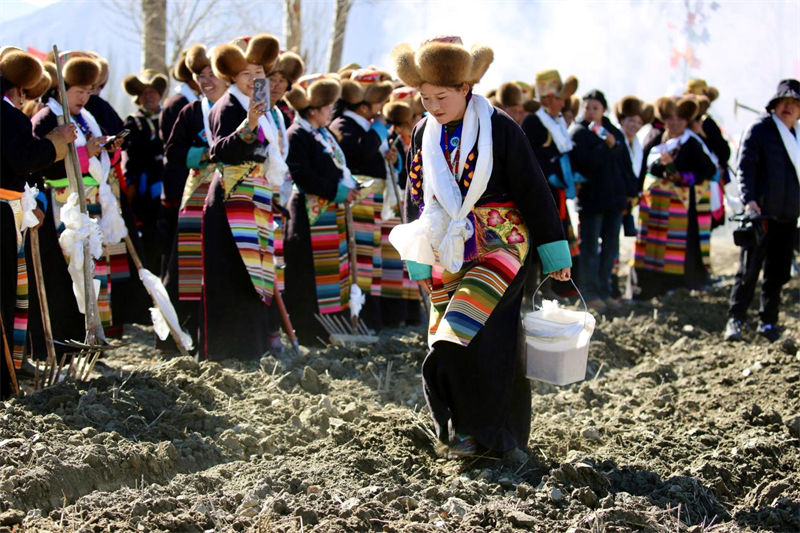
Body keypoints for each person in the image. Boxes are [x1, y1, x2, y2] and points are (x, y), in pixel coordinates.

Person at [389, 36, 571, 458]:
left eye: (441, 97)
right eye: (425, 98)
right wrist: (416, 252)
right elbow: (415, 194)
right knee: (446, 340)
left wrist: (555, 252)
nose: (432, 106)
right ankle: (466, 433)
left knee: (483, 337)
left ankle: (500, 438)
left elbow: (533, 190)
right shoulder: (422, 133)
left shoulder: (500, 127)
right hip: (446, 245)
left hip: (504, 245)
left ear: (465, 89)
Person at [31, 54, 130, 341]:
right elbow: (44, 162)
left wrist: (106, 148)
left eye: (89, 91)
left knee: (92, 268)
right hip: (66, 204)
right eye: (79, 91)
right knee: (71, 270)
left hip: (90, 200)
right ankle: (70, 338)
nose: (85, 97)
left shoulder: (84, 118)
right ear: (62, 88)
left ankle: (93, 336)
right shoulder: (48, 117)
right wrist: (89, 152)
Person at [202, 33, 282, 360]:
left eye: (259, 74)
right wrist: (248, 124)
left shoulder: (263, 110)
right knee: (236, 275)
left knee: (255, 273)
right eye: (247, 74)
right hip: (232, 200)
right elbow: (219, 150)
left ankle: (254, 345)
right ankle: (233, 350)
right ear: (232, 77)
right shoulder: (228, 105)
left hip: (254, 197)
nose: (254, 80)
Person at [1, 48, 75, 397]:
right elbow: (25, 159)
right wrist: (57, 142)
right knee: (4, 295)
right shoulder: (9, 116)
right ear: (17, 90)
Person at [283, 75, 359, 346]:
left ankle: (326, 329)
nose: (331, 111)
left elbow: (337, 167)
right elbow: (302, 175)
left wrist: (351, 185)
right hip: (306, 214)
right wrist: (338, 191)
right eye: (327, 106)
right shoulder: (296, 134)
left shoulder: (322, 133)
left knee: (328, 272)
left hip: (327, 212)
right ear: (313, 110)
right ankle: (308, 331)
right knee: (307, 273)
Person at [161, 43, 227, 349]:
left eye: (211, 72)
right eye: (200, 74)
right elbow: (172, 151)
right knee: (187, 265)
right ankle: (183, 334)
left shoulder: (235, 107)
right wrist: (207, 155)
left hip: (230, 195)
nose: (205, 79)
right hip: (198, 194)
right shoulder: (190, 111)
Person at [725, 79, 800, 343]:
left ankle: (768, 322)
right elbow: (746, 167)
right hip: (762, 213)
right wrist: (750, 201)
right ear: (775, 104)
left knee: (778, 273)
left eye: (795, 103)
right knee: (749, 270)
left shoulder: (797, 137)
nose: (789, 107)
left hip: (789, 214)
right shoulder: (760, 129)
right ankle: (736, 319)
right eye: (785, 101)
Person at [627, 96, 717, 300]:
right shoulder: (656, 139)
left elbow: (708, 169)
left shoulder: (692, 144)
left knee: (676, 250)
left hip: (680, 211)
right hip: (654, 209)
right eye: (670, 118)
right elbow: (643, 170)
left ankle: (677, 286)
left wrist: (682, 177)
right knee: (651, 248)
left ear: (686, 121)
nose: (674, 123)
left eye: (680, 119)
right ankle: (647, 288)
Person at [329, 69, 395, 329]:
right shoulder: (343, 125)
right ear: (364, 104)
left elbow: (376, 154)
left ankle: (373, 319)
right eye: (378, 102)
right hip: (358, 204)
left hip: (374, 206)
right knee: (360, 262)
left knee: (372, 263)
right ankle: (359, 318)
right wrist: (379, 129)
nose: (381, 108)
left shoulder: (367, 126)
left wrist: (390, 156)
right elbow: (362, 151)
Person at [569, 89, 636, 312]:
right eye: (587, 107)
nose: (590, 112)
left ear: (603, 110)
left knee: (610, 248)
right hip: (591, 201)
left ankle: (605, 291)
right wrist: (603, 145)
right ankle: (589, 292)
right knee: (589, 248)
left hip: (614, 201)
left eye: (594, 108)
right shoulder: (578, 132)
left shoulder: (613, 131)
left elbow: (625, 164)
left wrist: (630, 192)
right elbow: (585, 163)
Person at [520, 70, 580, 298]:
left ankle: (547, 288)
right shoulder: (535, 121)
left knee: (554, 233)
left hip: (556, 190)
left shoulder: (555, 121)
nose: (564, 102)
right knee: (538, 237)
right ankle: (532, 290)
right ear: (549, 99)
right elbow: (529, 157)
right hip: (540, 189)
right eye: (560, 97)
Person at [265, 51, 305, 295]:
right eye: (272, 78)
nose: (277, 85)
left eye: (282, 80)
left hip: (278, 193)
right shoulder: (257, 110)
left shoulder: (278, 113)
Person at [158, 50, 200, 278]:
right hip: (178, 183)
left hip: (187, 183)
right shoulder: (179, 104)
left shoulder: (192, 101)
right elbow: (173, 146)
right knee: (174, 246)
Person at [122, 69, 169, 274]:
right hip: (144, 192)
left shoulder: (170, 116)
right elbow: (135, 153)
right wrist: (160, 146)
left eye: (153, 91)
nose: (149, 96)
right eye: (144, 92)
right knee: (149, 235)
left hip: (169, 185)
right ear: (138, 97)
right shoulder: (133, 122)